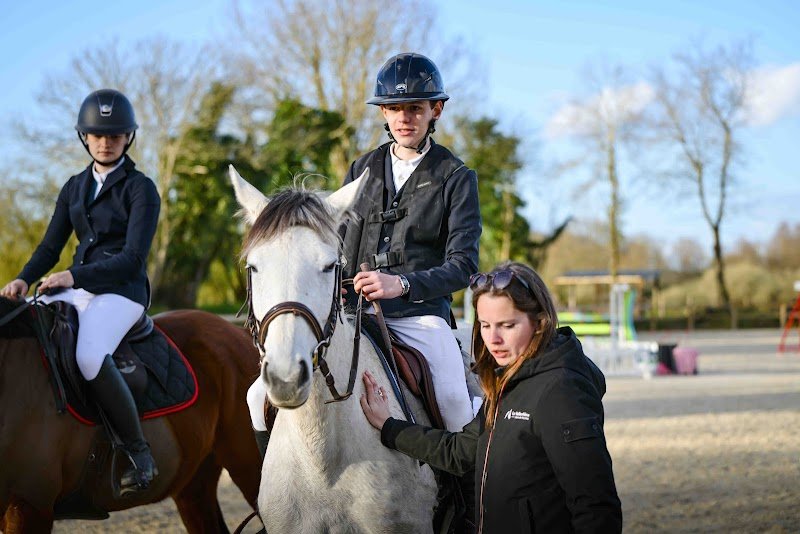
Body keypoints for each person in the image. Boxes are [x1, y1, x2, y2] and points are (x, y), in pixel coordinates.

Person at [245, 52, 482, 457]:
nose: (404, 118)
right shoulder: (361, 169)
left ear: (435, 110)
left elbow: (464, 266)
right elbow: (334, 248)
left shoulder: (457, 177)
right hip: (351, 315)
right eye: (394, 108)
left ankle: (469, 505)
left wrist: (401, 283)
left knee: (456, 403)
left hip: (420, 318)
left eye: (414, 108)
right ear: (384, 113)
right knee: (255, 399)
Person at [360, 261, 623, 533]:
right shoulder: (508, 380)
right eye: (485, 325)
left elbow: (596, 508)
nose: (492, 338)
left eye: (507, 325)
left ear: (540, 323)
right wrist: (389, 425)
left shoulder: (561, 391)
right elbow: (461, 451)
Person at [1, 89, 161, 496]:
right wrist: (23, 278)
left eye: (115, 135)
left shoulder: (141, 189)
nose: (106, 142)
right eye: (97, 135)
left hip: (121, 293)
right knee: (25, 327)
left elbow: (131, 259)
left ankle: (137, 451)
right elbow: (50, 247)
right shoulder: (74, 187)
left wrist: (73, 276)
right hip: (76, 288)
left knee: (88, 354)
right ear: (84, 137)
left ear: (128, 138)